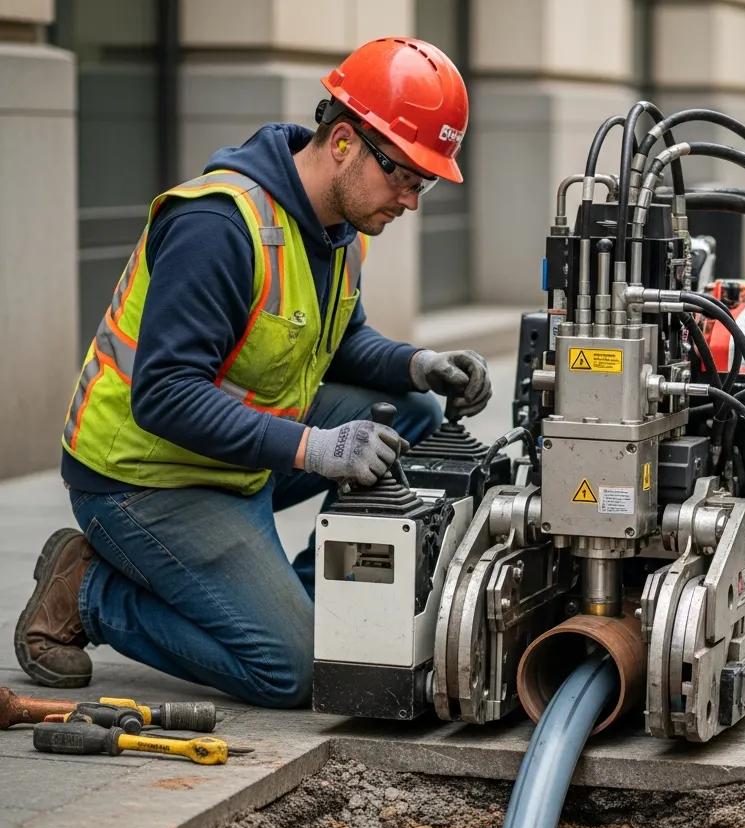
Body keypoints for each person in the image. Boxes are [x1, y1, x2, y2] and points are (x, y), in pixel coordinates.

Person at [14, 37, 491, 708]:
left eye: (425, 182)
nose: (411, 199)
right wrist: (315, 449)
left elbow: (341, 341)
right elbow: (164, 396)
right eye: (404, 175)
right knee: (293, 671)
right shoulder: (217, 225)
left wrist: (421, 365)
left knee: (409, 414)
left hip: (236, 457)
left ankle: (310, 594)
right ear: (346, 141)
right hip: (146, 480)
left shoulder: (339, 229)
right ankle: (90, 591)